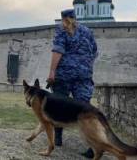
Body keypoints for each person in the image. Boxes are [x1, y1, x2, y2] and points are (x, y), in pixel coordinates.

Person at [47, 9, 98, 159]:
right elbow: (94, 52)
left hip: (64, 75)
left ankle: (58, 137)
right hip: (84, 76)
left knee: (58, 106)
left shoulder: (62, 29)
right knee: (84, 110)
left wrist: (52, 72)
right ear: (75, 17)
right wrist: (85, 66)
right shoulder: (87, 31)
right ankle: (93, 146)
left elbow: (58, 51)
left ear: (63, 19)